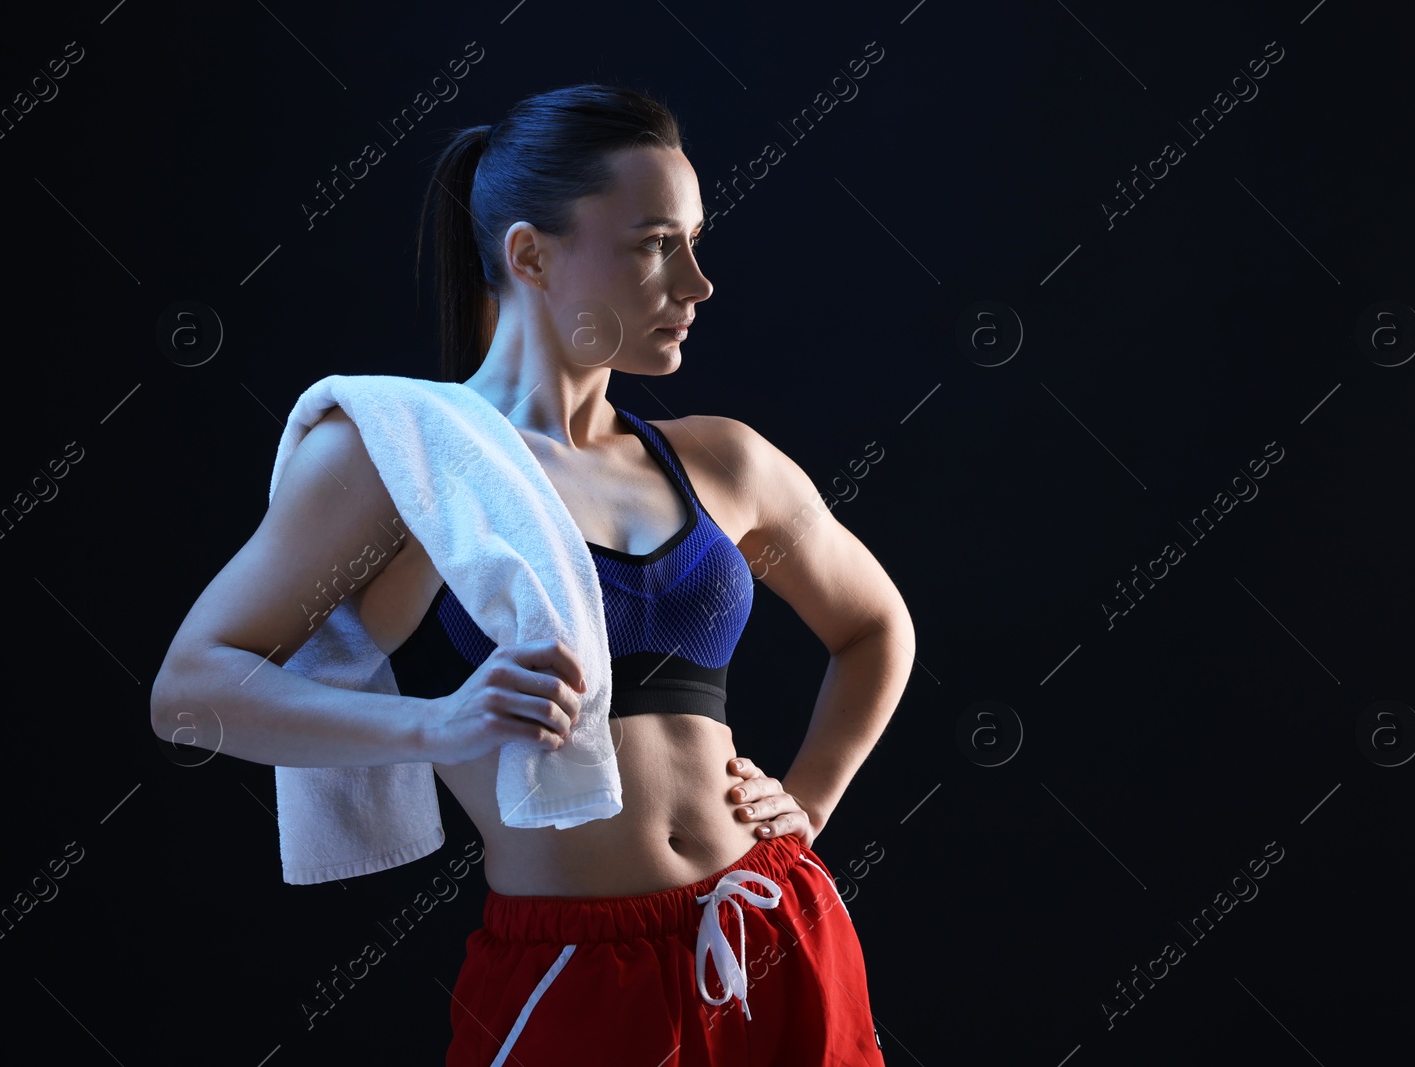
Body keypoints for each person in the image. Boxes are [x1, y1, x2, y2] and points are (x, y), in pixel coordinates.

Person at [149, 83, 914, 1065]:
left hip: (772, 924)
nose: (696, 282)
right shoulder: (409, 460)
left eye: (692, 240)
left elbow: (874, 626)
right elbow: (190, 690)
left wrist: (808, 800)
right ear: (530, 254)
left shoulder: (722, 458)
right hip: (576, 967)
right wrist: (430, 723)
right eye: (653, 244)